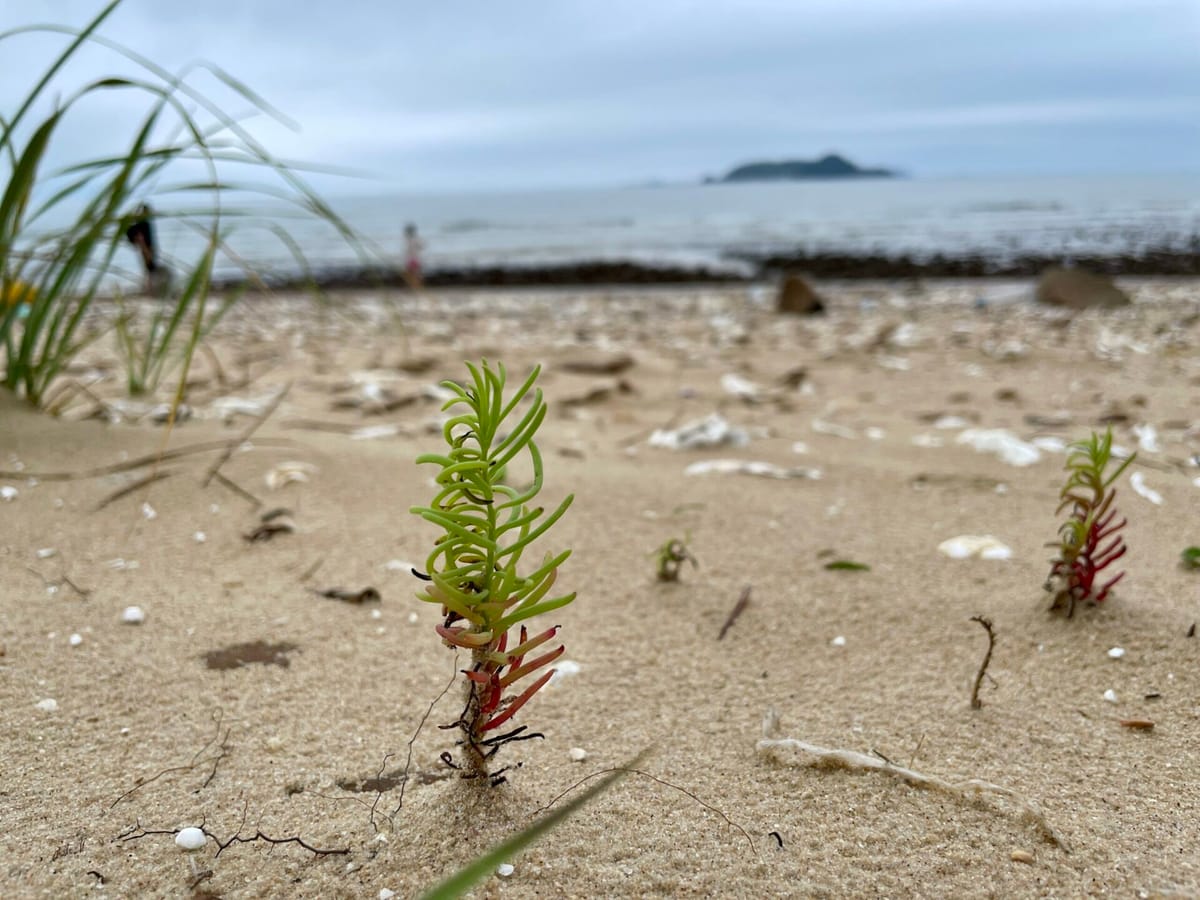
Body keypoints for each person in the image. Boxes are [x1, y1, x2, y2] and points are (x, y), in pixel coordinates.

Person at [125, 204, 167, 296]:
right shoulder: (143, 223)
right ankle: (149, 289)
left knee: (149, 268)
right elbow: (141, 238)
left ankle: (148, 288)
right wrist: (145, 248)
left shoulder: (144, 222)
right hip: (146, 247)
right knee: (150, 268)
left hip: (148, 247)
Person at [403, 223, 424, 289]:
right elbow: (421, 246)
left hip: (412, 259)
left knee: (413, 273)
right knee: (414, 273)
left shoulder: (410, 240)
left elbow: (420, 247)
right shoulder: (413, 239)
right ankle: (415, 286)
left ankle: (415, 286)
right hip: (413, 258)